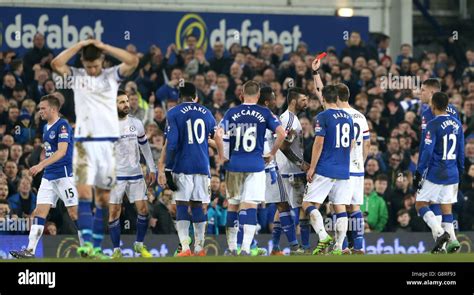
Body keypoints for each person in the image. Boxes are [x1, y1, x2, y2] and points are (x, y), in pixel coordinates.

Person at [51, 39, 138, 258]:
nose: (91, 70)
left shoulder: (111, 75)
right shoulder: (77, 76)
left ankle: (97, 247)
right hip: (83, 144)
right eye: (88, 66)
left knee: (102, 200)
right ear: (83, 62)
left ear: (102, 61)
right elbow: (56, 63)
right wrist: (79, 45)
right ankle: (87, 244)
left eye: (95, 66)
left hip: (108, 146)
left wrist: (105, 46)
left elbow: (133, 60)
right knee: (83, 194)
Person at [216, 80, 286, 256]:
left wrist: (221, 156)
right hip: (255, 166)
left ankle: (232, 248)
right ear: (258, 95)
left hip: (234, 165)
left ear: (242, 94)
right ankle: (246, 248)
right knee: (250, 207)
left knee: (232, 206)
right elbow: (282, 134)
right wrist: (271, 152)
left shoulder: (231, 112)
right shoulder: (264, 112)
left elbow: (218, 134)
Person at [9, 95, 78, 258]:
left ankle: (90, 247)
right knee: (39, 212)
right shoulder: (46, 127)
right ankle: (30, 250)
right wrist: (44, 167)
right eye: (39, 108)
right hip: (49, 177)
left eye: (43, 108)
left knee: (74, 214)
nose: (40, 111)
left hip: (64, 175)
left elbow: (61, 152)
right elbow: (50, 152)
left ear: (53, 109)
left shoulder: (63, 126)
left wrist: (40, 165)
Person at [161, 82, 217, 257]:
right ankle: (199, 248)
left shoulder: (174, 113)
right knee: (199, 205)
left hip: (182, 166)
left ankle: (185, 248)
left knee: (182, 205)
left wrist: (167, 168)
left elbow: (172, 143)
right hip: (202, 166)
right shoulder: (207, 112)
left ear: (179, 98)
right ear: (196, 96)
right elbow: (215, 138)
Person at [304, 84, 354, 255]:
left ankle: (323, 235)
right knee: (340, 207)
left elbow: (319, 142)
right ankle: (339, 247)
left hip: (325, 167)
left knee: (307, 203)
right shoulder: (348, 117)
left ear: (324, 98)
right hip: (343, 169)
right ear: (337, 98)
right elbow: (352, 143)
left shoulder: (322, 116)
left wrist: (312, 167)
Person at [108, 90, 157, 259]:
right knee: (114, 212)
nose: (126, 104)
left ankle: (139, 244)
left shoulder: (136, 123)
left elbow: (145, 147)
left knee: (143, 210)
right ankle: (116, 250)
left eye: (127, 101)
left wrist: (152, 167)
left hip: (136, 174)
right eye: (121, 102)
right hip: (116, 176)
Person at [414, 92, 464, 253]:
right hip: (453, 172)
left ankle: (440, 233)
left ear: (433, 105)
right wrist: (460, 171)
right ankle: (453, 241)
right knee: (446, 208)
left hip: (436, 172)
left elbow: (427, 151)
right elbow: (461, 152)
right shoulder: (457, 124)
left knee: (420, 204)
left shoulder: (433, 124)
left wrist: (419, 172)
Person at [259, 86, 301, 256]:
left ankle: (274, 247)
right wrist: (288, 137)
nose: (277, 100)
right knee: (283, 206)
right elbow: (282, 137)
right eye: (275, 98)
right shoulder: (271, 117)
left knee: (245, 206)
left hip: (251, 166)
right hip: (269, 167)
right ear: (268, 101)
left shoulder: (247, 115)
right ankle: (295, 246)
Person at [275, 87, 311, 253]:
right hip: (291, 171)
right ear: (294, 101)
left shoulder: (292, 118)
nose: (307, 103)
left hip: (286, 169)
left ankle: (296, 247)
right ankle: (300, 246)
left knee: (286, 207)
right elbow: (283, 146)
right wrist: (301, 164)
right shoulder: (289, 120)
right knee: (300, 208)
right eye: (304, 99)